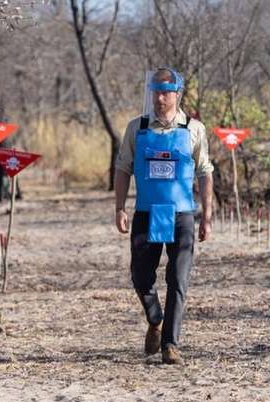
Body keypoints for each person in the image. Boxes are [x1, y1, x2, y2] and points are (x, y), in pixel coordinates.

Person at [114, 68, 213, 365]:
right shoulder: (137, 128)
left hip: (182, 213)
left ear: (177, 94)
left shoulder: (193, 129)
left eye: (166, 92)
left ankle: (171, 343)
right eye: (155, 91)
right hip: (147, 212)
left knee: (178, 278)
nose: (160, 98)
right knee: (141, 276)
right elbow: (123, 168)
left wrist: (206, 216)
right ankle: (154, 318)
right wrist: (119, 207)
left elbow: (205, 171)